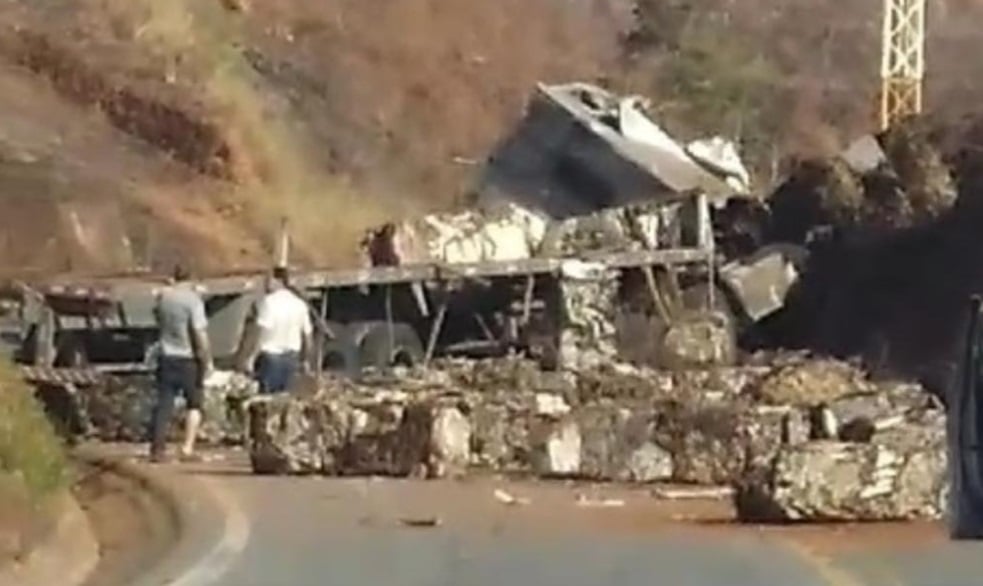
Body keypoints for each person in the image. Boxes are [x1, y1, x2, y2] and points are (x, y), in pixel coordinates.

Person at [150, 264, 213, 463]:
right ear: (192, 279)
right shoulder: (193, 302)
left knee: (164, 403)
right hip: (188, 358)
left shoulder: (164, 298)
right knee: (194, 404)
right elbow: (199, 333)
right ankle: (187, 448)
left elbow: (157, 319)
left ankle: (157, 448)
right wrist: (206, 359)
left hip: (166, 355)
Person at [241, 266, 313, 393]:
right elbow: (308, 336)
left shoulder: (268, 302)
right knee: (285, 398)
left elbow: (260, 333)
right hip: (292, 358)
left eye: (268, 280)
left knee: (267, 399)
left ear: (278, 281)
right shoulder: (299, 304)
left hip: (271, 359)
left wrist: (251, 357)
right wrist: (305, 360)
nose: (266, 284)